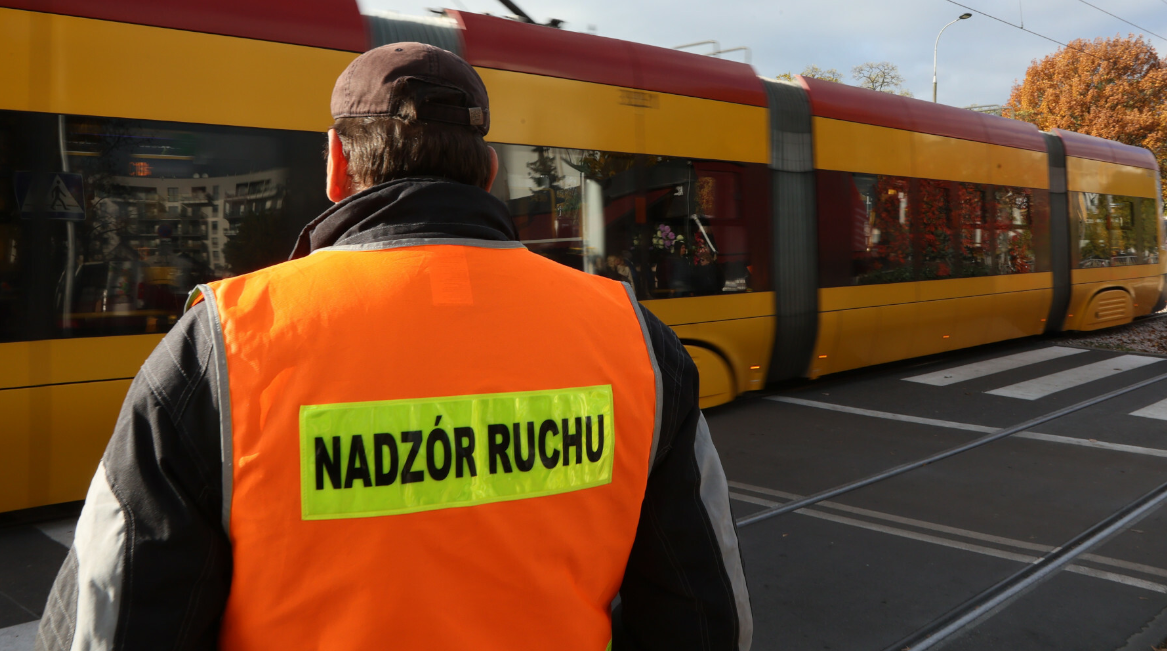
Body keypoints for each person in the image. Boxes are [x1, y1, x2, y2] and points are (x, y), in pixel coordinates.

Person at [37, 43, 751, 651]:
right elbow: (703, 610)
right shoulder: (633, 337)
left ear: (336, 166)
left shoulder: (224, 342)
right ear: (490, 170)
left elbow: (111, 620)